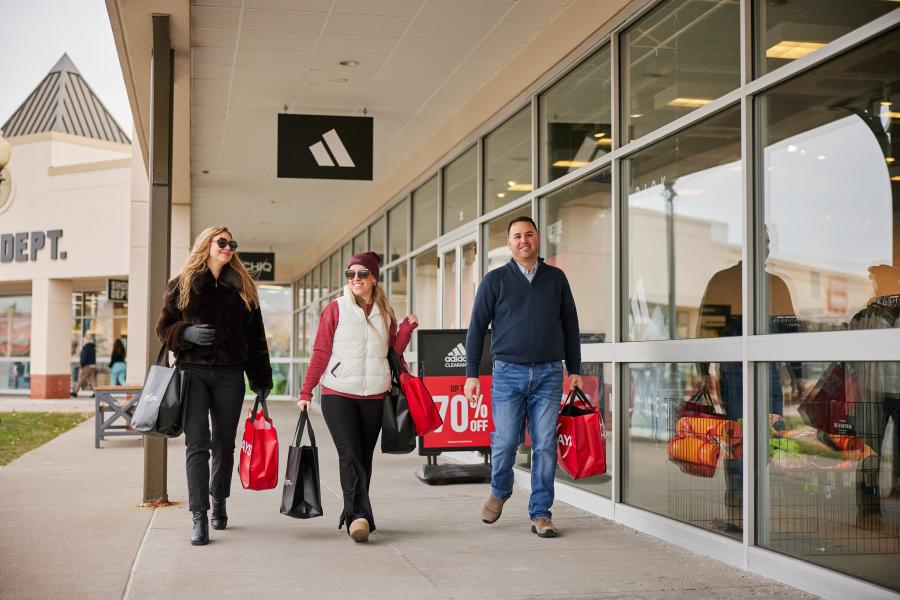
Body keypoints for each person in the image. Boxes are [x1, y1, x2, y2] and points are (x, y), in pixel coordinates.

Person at [464, 216, 582, 538]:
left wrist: (575, 370)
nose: (523, 241)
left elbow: (570, 326)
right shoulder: (495, 280)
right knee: (504, 442)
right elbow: (476, 328)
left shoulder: (556, 279)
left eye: (529, 235)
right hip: (507, 373)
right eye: (517, 236)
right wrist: (471, 374)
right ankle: (500, 490)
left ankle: (541, 512)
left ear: (538, 238)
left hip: (548, 373)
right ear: (509, 243)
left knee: (545, 444)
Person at [156, 226, 272, 546]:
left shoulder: (244, 288)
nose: (227, 247)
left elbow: (257, 339)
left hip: (230, 377)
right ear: (206, 244)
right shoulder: (181, 284)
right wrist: (186, 333)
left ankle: (219, 500)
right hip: (192, 374)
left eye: (231, 243)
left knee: (224, 445)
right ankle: (199, 516)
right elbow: (163, 329)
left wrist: (261, 381)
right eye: (222, 242)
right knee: (198, 445)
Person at [297, 251, 417, 543]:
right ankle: (359, 517)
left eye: (362, 274)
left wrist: (405, 330)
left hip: (374, 396)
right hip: (338, 395)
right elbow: (321, 352)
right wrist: (306, 390)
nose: (356, 279)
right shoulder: (335, 309)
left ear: (374, 277)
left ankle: (353, 510)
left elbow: (391, 354)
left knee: (363, 459)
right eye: (350, 275)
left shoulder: (385, 312)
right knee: (349, 454)